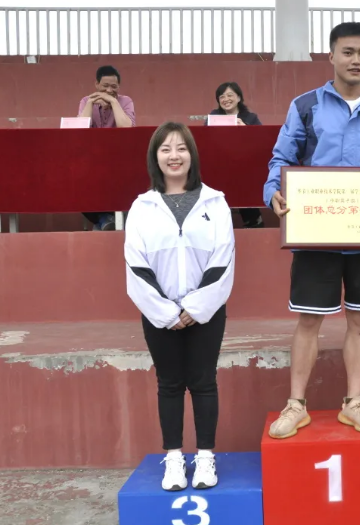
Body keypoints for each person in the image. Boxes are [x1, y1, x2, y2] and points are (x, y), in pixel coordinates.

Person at [263, 21, 360, 439]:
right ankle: (296, 405)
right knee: (309, 319)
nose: (356, 60)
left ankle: (354, 402)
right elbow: (282, 158)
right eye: (348, 52)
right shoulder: (306, 105)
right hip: (317, 230)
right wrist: (273, 191)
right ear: (331, 56)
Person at [125, 122, 235, 492]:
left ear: (192, 155)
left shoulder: (215, 203)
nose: (174, 156)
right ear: (155, 157)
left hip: (207, 311)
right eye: (166, 149)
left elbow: (223, 259)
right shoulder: (142, 207)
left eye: (181, 148)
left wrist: (195, 307)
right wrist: (166, 311)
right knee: (169, 384)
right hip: (159, 314)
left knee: (204, 382)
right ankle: (174, 458)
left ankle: (205, 457)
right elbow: (135, 263)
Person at [79, 65, 136, 231]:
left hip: (118, 158)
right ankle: (104, 219)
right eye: (105, 86)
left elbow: (127, 128)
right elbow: (79, 129)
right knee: (79, 186)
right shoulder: (85, 101)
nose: (109, 90)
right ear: (96, 84)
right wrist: (91, 102)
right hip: (92, 158)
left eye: (114, 86)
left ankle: (106, 221)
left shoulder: (126, 101)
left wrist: (113, 102)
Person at [208, 82, 264, 228]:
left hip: (244, 166)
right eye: (222, 97)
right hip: (220, 166)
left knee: (245, 191)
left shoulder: (251, 118)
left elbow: (261, 140)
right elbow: (205, 139)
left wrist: (246, 130)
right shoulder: (213, 117)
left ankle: (254, 223)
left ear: (239, 98)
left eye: (230, 95)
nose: (226, 99)